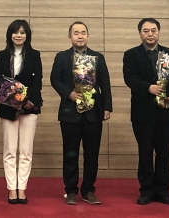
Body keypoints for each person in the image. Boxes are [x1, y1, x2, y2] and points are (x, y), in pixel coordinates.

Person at [123, 18, 169, 206]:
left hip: (166, 112)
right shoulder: (131, 54)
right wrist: (148, 88)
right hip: (143, 113)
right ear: (140, 33)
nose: (150, 34)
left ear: (158, 32)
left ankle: (163, 190)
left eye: (153, 30)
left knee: (164, 153)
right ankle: (146, 190)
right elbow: (129, 78)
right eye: (146, 30)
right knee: (145, 152)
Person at [50, 21, 112, 206]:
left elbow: (105, 83)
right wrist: (69, 94)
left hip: (94, 113)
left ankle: (88, 190)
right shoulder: (62, 57)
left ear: (88, 36)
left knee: (92, 154)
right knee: (70, 153)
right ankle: (70, 191)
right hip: (70, 113)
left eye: (83, 32)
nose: (80, 36)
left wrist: (107, 107)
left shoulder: (98, 57)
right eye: (76, 33)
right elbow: (55, 79)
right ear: (70, 36)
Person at [0, 19, 43, 205]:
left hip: (29, 107)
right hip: (8, 107)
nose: (19, 35)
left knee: (25, 150)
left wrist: (29, 101)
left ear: (27, 35)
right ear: (10, 35)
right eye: (15, 32)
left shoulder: (34, 55)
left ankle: (22, 188)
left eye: (22, 32)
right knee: (9, 150)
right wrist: (11, 100)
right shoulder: (1, 55)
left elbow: (38, 82)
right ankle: (11, 188)